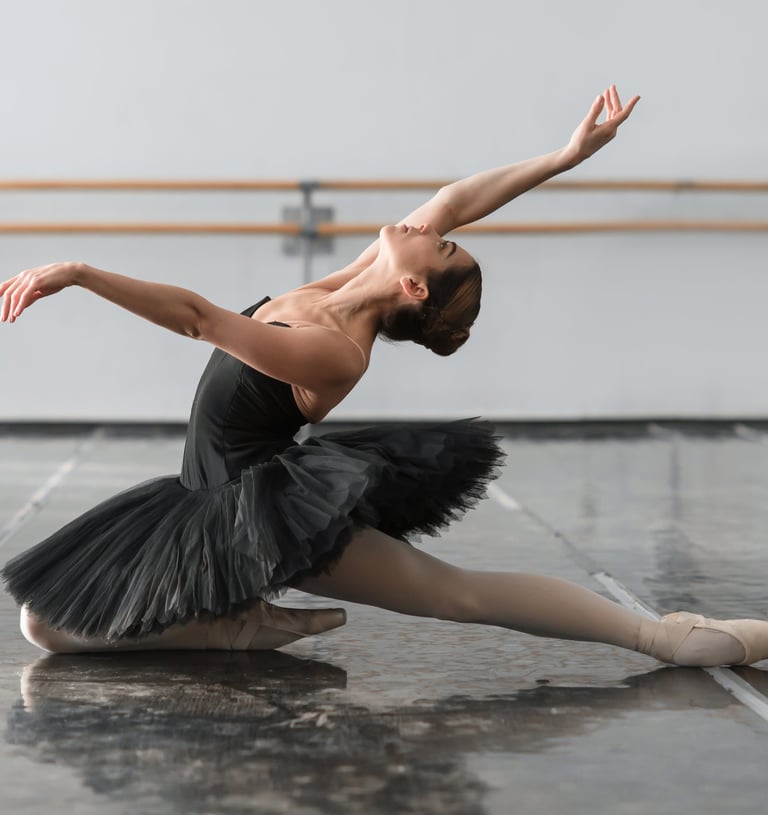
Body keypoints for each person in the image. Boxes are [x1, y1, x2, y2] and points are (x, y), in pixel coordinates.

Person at [2, 86, 767, 668]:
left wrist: (79, 272)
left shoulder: (338, 349)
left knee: (453, 593)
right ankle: (239, 620)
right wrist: (565, 157)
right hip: (198, 493)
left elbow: (200, 319)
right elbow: (456, 199)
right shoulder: (347, 282)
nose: (425, 227)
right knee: (47, 622)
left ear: (413, 291)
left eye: (435, 248)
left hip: (264, 509)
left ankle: (665, 635)